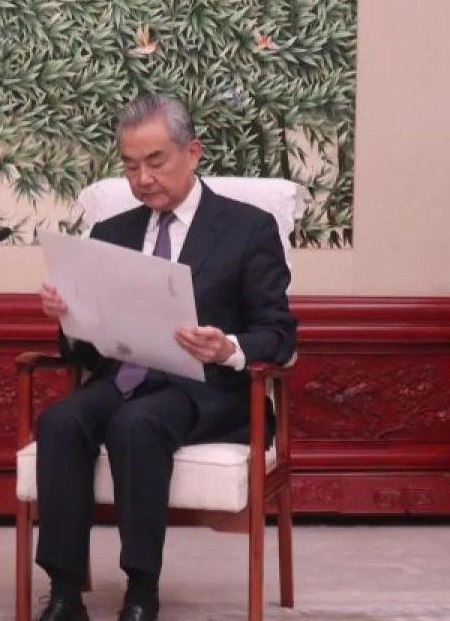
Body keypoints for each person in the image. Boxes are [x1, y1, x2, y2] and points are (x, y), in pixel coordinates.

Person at [34, 93, 297, 621]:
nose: (143, 178)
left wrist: (229, 348)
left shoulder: (247, 229)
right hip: (123, 378)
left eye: (155, 162)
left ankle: (140, 591)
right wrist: (70, 317)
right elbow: (86, 349)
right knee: (60, 421)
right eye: (130, 166)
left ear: (192, 152)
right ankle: (64, 592)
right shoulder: (112, 233)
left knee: (138, 424)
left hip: (204, 390)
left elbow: (279, 333)